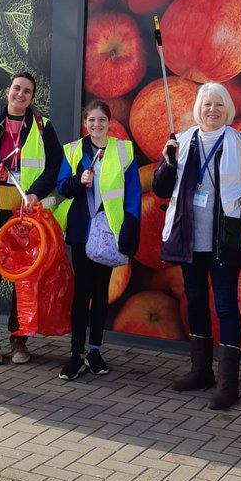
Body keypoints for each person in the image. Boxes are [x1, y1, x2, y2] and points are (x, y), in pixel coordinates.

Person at [152, 82, 241, 410]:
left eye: (218, 104)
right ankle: (201, 372)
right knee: (197, 301)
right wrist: (168, 162)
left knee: (226, 306)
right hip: (189, 236)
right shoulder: (181, 141)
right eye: (207, 104)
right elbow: (160, 188)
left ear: (227, 109)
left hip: (225, 238)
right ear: (198, 109)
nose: (212, 109)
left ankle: (229, 384)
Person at [0, 71, 63, 365]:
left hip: (25, 212)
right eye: (17, 88)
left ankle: (19, 340)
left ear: (32, 97)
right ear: (8, 91)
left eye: (27, 91)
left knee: (22, 276)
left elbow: (55, 166)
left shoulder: (44, 127)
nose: (21, 94)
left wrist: (36, 193)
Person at [55, 99, 141, 381]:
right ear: (85, 123)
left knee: (101, 292)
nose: (96, 125)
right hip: (82, 231)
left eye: (101, 120)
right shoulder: (72, 150)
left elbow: (133, 193)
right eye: (91, 120)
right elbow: (62, 188)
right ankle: (76, 354)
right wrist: (79, 180)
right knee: (82, 293)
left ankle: (95, 350)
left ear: (109, 122)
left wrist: (131, 224)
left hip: (110, 231)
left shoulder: (123, 150)